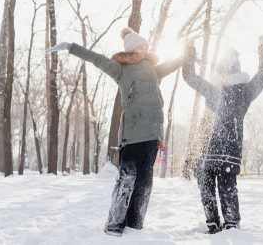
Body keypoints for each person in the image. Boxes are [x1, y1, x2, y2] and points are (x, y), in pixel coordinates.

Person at [49, 27, 193, 236]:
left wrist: (186, 54)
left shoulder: (153, 70)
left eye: (146, 46)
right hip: (132, 135)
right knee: (127, 179)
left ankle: (135, 226)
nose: (146, 48)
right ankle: (115, 225)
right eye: (142, 46)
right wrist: (71, 47)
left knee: (145, 184)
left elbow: (172, 64)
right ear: (134, 48)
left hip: (152, 136)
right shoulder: (121, 69)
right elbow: (96, 59)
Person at [182, 36, 263, 234]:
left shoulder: (244, 90)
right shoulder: (212, 89)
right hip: (208, 150)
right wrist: (189, 50)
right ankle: (214, 224)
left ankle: (231, 226)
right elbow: (189, 76)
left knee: (225, 188)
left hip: (227, 152)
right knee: (206, 186)